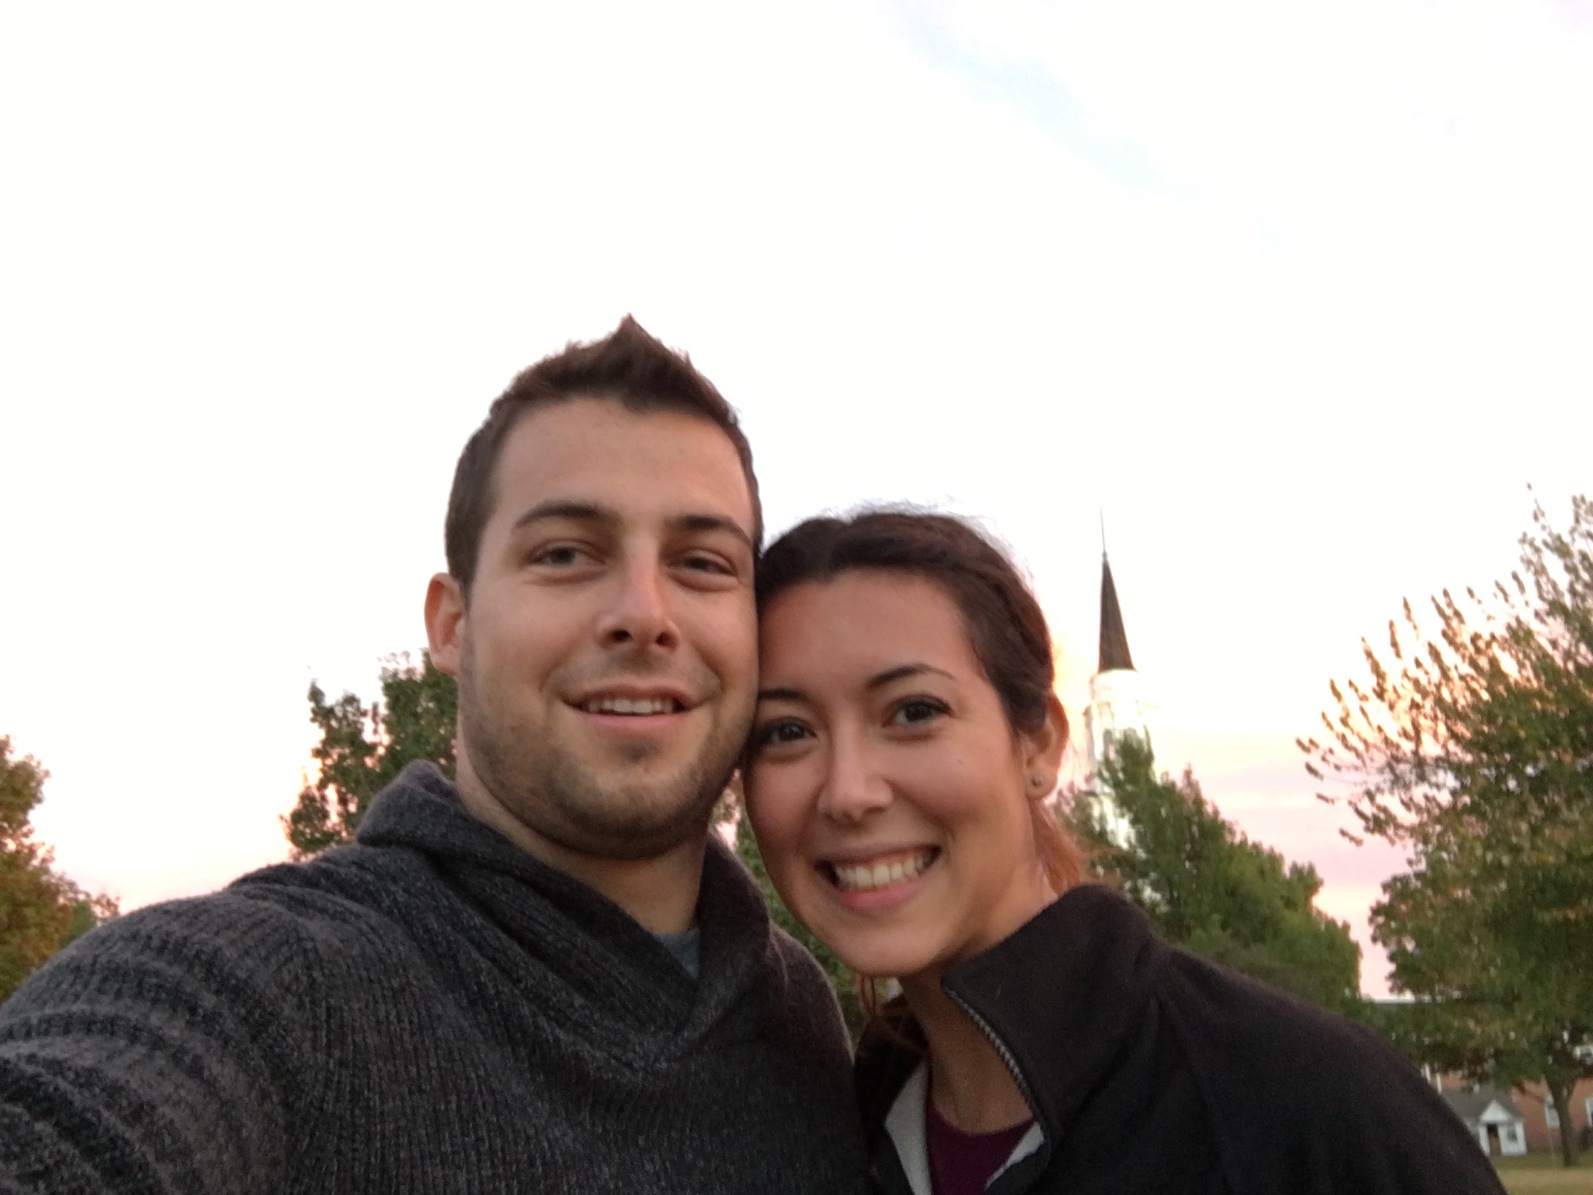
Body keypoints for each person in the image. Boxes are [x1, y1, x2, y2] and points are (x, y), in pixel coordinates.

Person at [0, 319, 868, 1193]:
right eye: (565, 553)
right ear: (451, 624)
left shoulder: (796, 1016)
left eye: (702, 562)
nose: (644, 613)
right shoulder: (274, 985)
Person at [741, 510, 1506, 1195]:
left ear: (1039, 742)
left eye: (914, 711)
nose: (848, 791)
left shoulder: (1296, 1107)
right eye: (786, 730)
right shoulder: (835, 1125)